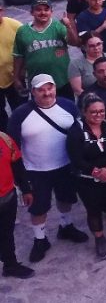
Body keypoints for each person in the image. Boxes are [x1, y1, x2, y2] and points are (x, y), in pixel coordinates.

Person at [7, 74, 88, 262]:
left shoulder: (68, 106)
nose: (46, 93)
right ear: (33, 92)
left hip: (65, 165)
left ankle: (66, 226)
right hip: (35, 169)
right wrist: (20, 178)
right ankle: (40, 239)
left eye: (50, 88)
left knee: (66, 198)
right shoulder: (20, 114)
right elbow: (13, 147)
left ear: (55, 88)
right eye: (41, 90)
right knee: (38, 207)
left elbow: (80, 133)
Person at [66, 95, 106, 259]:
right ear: (84, 112)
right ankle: (100, 239)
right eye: (93, 112)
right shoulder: (76, 131)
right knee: (93, 210)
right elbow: (76, 159)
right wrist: (97, 173)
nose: (98, 115)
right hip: (87, 179)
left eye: (101, 111)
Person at [0, 115, 34, 278]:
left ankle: (10, 265)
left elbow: (17, 164)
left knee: (6, 233)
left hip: (7, 198)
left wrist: (26, 189)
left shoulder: (4, 139)